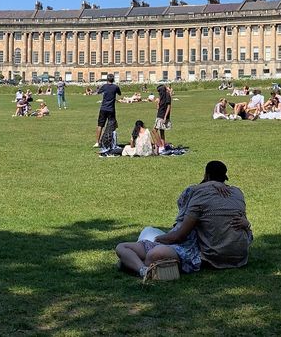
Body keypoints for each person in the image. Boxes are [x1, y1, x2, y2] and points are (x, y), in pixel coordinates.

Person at [113, 160, 252, 281]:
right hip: (240, 256)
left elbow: (179, 234)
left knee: (148, 238)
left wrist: (158, 239)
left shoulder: (196, 192)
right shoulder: (237, 193)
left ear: (206, 175)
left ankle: (133, 265)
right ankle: (138, 265)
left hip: (209, 254)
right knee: (149, 248)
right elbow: (244, 225)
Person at [95, 74, 121, 149]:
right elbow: (119, 93)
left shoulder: (104, 86)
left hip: (103, 108)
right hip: (111, 109)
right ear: (113, 80)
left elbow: (99, 92)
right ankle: (112, 141)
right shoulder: (115, 87)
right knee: (112, 125)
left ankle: (97, 142)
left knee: (100, 125)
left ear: (107, 79)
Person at [154, 83, 173, 151]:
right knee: (162, 131)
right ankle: (163, 146)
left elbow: (169, 107)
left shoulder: (167, 95)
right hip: (159, 114)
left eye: (159, 91)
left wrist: (165, 117)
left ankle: (161, 146)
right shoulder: (161, 96)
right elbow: (159, 106)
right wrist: (158, 104)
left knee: (154, 131)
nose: (159, 93)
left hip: (162, 116)